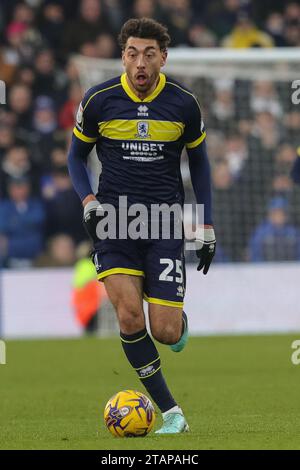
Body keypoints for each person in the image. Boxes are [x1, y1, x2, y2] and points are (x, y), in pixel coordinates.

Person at [67, 17, 216, 434]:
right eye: (132, 53)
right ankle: (172, 412)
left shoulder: (184, 104)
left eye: (149, 54)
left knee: (165, 331)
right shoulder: (99, 100)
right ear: (123, 56)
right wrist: (89, 200)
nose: (140, 63)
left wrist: (206, 225)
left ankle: (180, 325)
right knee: (129, 316)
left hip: (165, 223)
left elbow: (201, 164)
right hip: (114, 222)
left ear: (163, 58)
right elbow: (75, 157)